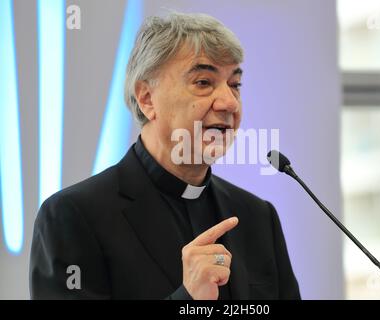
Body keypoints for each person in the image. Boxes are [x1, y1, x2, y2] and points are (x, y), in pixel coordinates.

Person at [29, 12, 300, 300]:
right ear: (147, 99)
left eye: (235, 84)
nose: (229, 103)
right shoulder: (73, 216)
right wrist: (187, 298)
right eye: (204, 82)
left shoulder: (257, 217)